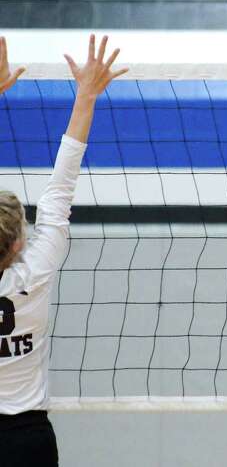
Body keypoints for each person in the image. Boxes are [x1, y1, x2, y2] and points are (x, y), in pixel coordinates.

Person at [0, 35, 127, 467]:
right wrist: (86, 96)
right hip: (27, 442)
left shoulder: (36, 264)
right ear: (19, 242)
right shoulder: (36, 268)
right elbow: (59, 192)